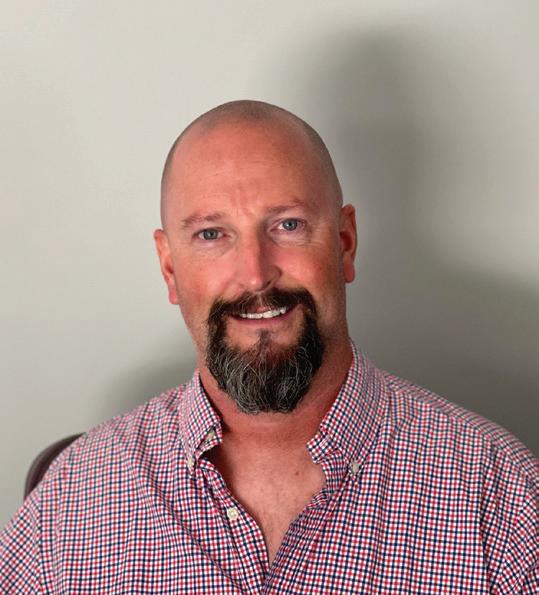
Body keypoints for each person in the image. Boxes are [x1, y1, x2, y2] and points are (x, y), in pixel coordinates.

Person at [1, 100, 537, 593]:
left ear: (345, 243)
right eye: (212, 234)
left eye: (287, 225)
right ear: (169, 268)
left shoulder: (501, 494)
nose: (255, 274)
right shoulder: (71, 500)